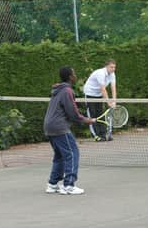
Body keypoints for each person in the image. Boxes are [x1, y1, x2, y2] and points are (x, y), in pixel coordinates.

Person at [44, 66, 96, 195]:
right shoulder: (67, 91)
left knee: (60, 155)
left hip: (49, 126)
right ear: (70, 77)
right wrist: (86, 120)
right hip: (59, 127)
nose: (75, 75)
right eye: (74, 73)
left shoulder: (58, 90)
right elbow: (73, 113)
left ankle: (52, 184)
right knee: (72, 153)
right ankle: (69, 185)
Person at [83, 60, 117, 141]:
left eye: (114, 67)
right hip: (90, 94)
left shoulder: (112, 74)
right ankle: (96, 136)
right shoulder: (100, 73)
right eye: (111, 67)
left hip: (99, 95)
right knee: (92, 115)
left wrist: (114, 101)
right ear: (106, 67)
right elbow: (103, 89)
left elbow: (113, 88)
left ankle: (103, 135)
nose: (113, 69)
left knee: (100, 114)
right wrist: (108, 102)